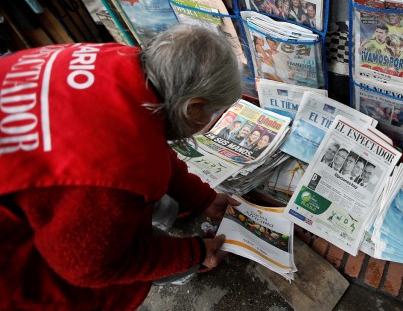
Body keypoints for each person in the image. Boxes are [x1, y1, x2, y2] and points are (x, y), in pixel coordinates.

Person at [0, 24, 243, 309]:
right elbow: (90, 267)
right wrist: (194, 252)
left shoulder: (121, 59)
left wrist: (203, 198)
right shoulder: (116, 170)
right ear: (192, 107)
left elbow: (149, 140)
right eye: (213, 111)